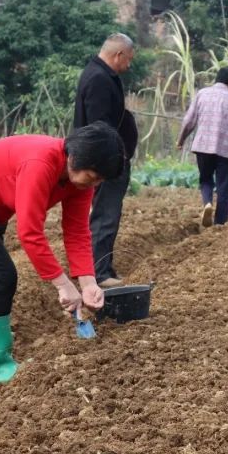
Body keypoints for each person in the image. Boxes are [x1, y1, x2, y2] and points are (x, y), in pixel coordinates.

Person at [0, 122, 125, 384]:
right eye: (93, 176)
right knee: (0, 279)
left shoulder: (79, 183)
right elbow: (30, 233)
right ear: (74, 157)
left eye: (100, 180)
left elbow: (78, 231)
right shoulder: (41, 163)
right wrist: (62, 284)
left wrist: (88, 282)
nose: (94, 183)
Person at [73, 33, 139, 288]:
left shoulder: (99, 74)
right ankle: (99, 273)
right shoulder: (99, 79)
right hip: (105, 162)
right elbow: (100, 127)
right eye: (128, 60)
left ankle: (100, 268)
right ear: (118, 55)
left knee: (104, 214)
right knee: (104, 215)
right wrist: (110, 162)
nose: (129, 66)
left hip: (106, 160)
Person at [177, 66, 228, 227]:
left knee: (205, 179)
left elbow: (189, 121)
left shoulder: (202, 94)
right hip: (225, 150)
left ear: (217, 79)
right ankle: (220, 224)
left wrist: (181, 140)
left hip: (203, 147)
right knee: (223, 186)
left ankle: (207, 203)